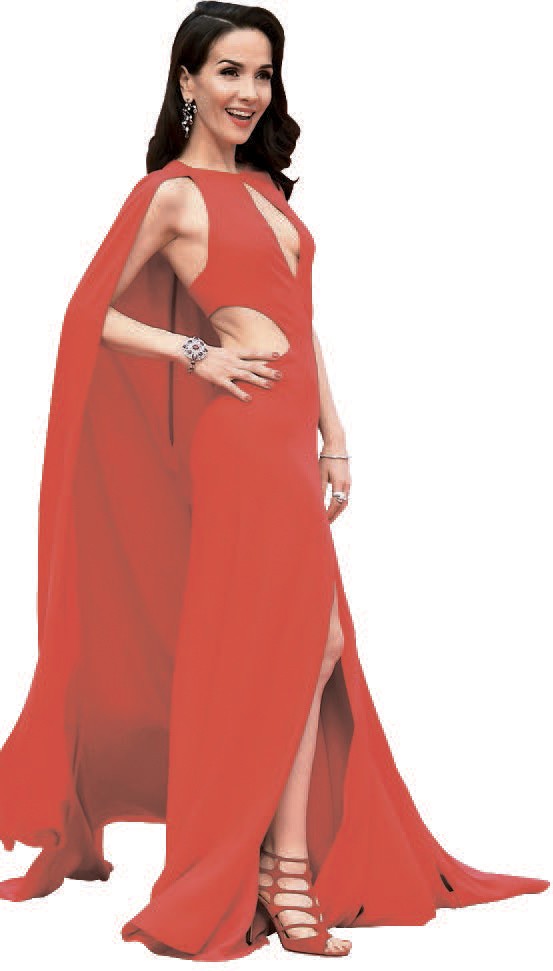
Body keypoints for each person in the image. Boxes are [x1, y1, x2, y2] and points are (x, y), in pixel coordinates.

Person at [0, 1, 548, 962]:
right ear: (186, 81)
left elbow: (301, 319)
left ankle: (276, 863)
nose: (248, 92)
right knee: (309, 639)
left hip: (288, 436)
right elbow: (87, 316)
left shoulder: (264, 190)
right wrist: (195, 353)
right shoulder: (170, 195)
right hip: (240, 437)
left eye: (261, 74)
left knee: (314, 640)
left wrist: (334, 432)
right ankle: (281, 869)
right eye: (228, 72)